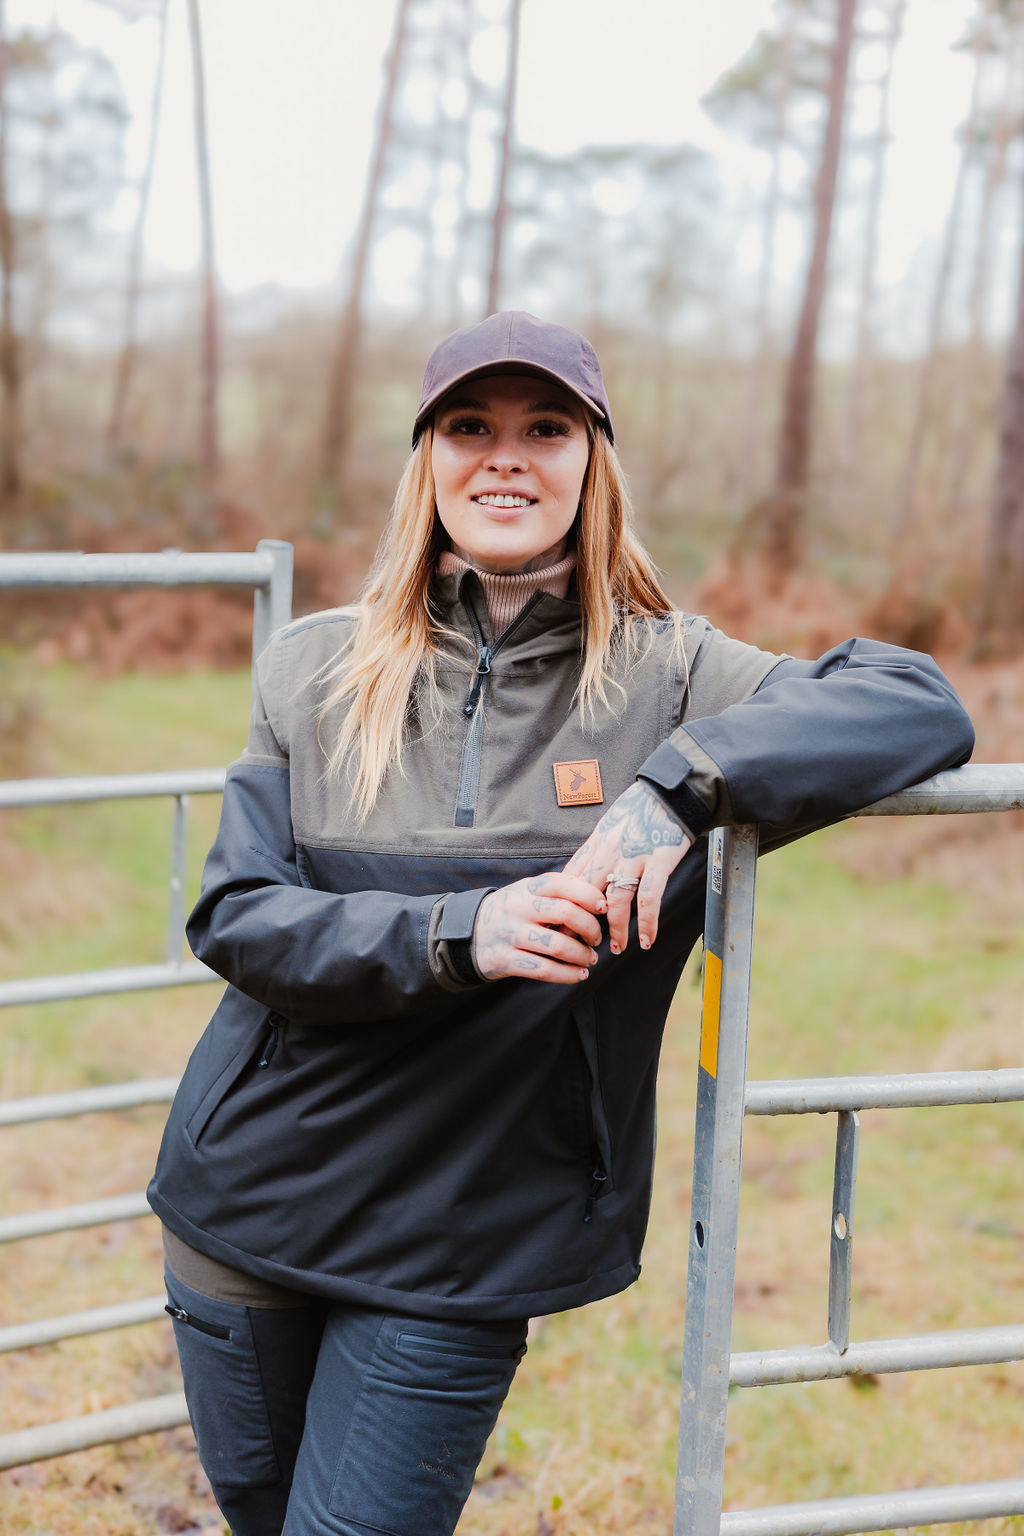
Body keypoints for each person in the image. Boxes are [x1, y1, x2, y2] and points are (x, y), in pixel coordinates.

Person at [148, 310, 974, 1536]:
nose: (505, 458)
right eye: (469, 426)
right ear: (425, 460)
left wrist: (677, 785)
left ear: (594, 462)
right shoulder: (313, 671)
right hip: (247, 1207)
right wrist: (460, 933)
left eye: (545, 428)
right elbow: (238, 915)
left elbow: (914, 701)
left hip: (465, 1236)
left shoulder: (671, 676)